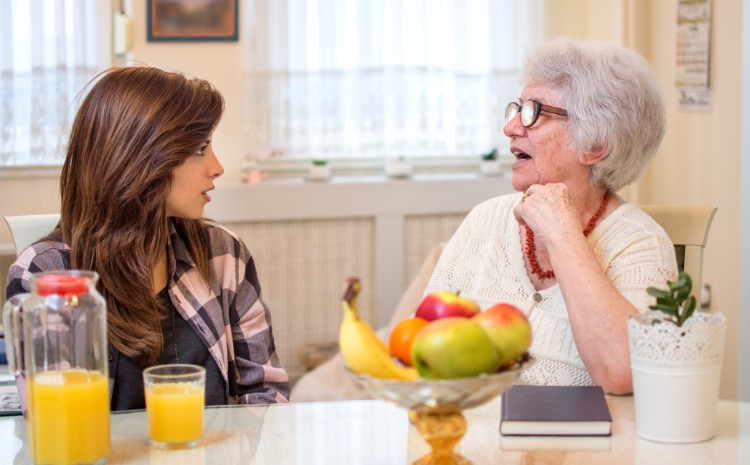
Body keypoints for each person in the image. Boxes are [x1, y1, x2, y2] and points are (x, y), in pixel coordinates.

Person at [6, 66, 290, 410]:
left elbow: (266, 393)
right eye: (200, 148)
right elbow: (58, 422)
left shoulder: (223, 253)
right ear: (139, 156)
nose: (216, 167)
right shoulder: (46, 273)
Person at [424, 38, 677, 394]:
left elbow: (625, 372)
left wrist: (563, 234)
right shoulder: (484, 221)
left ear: (595, 145)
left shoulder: (640, 243)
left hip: (588, 450)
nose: (510, 127)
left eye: (534, 112)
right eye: (517, 108)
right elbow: (419, 345)